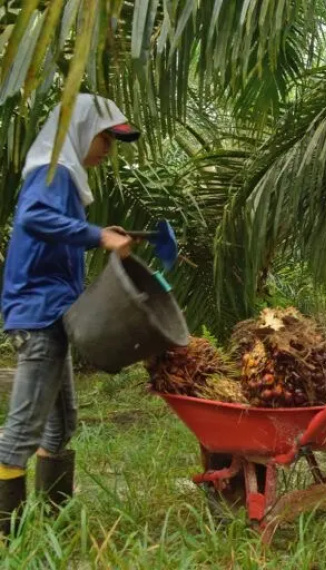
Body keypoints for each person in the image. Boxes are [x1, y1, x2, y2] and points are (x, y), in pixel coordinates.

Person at [0, 94, 140, 535]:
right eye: (105, 138)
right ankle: (7, 539)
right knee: (22, 431)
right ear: (81, 129)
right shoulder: (53, 170)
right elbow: (33, 217)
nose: (108, 150)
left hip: (52, 311)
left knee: (61, 425)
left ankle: (53, 522)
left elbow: (52, 233)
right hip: (39, 313)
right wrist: (97, 237)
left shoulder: (63, 175)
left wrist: (97, 233)